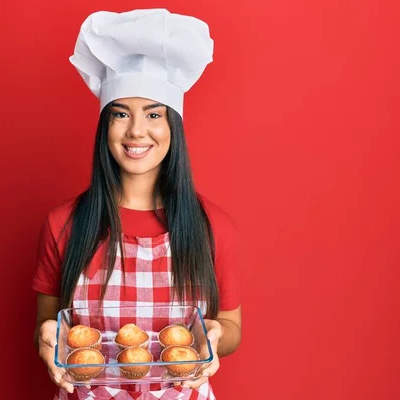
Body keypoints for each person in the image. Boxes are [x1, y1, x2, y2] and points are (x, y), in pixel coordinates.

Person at [32, 9, 243, 400]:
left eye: (153, 114)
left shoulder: (212, 226)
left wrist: (215, 337)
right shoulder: (64, 224)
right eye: (121, 113)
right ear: (105, 126)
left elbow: (230, 326)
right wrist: (46, 337)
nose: (136, 130)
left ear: (172, 126)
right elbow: (47, 322)